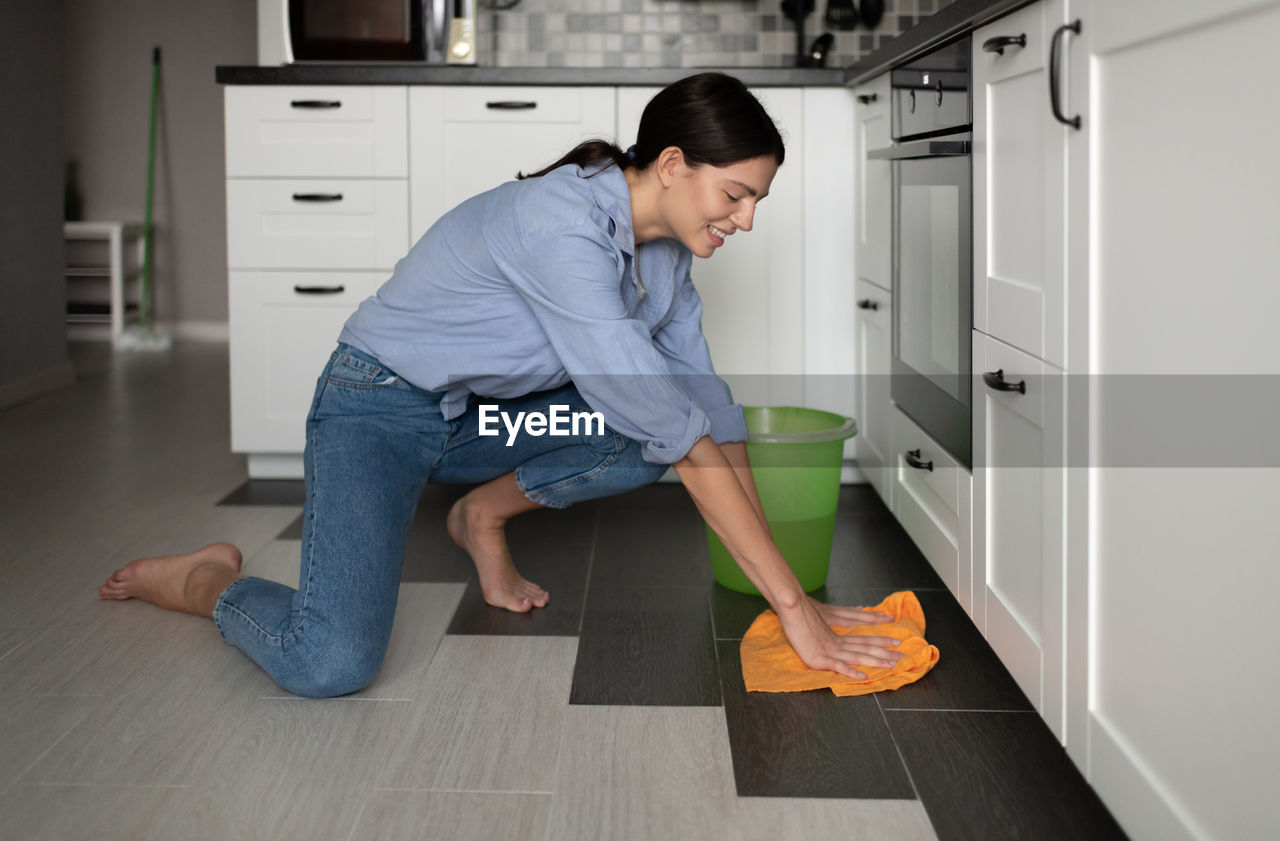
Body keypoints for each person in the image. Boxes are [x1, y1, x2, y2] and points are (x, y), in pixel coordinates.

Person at [98, 73, 903, 698]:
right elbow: (676, 428)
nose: (747, 220)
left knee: (658, 426)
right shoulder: (560, 227)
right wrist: (799, 615)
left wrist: (788, 595)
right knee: (329, 662)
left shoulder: (666, 257)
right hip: (375, 407)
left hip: (475, 422)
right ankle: (207, 577)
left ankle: (479, 512)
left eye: (757, 200)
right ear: (669, 165)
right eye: (736, 194)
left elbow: (710, 411)